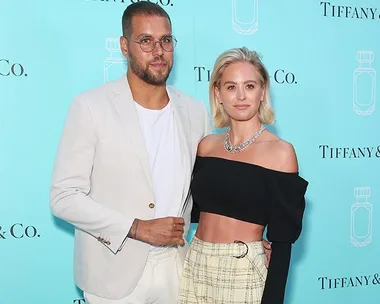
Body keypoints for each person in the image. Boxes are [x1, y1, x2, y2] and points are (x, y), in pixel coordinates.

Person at [49, 2, 211, 303]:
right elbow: (63, 197)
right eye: (145, 41)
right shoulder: (90, 107)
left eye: (165, 40)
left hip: (178, 268)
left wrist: (248, 241)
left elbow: (209, 193)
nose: (158, 51)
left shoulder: (195, 111)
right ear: (125, 46)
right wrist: (136, 228)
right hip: (112, 272)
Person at [179, 47, 308, 304]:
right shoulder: (206, 146)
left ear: (262, 91)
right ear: (218, 93)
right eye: (230, 87)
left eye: (249, 86)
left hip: (243, 269)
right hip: (195, 262)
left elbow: (282, 242)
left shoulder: (281, 153)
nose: (240, 96)